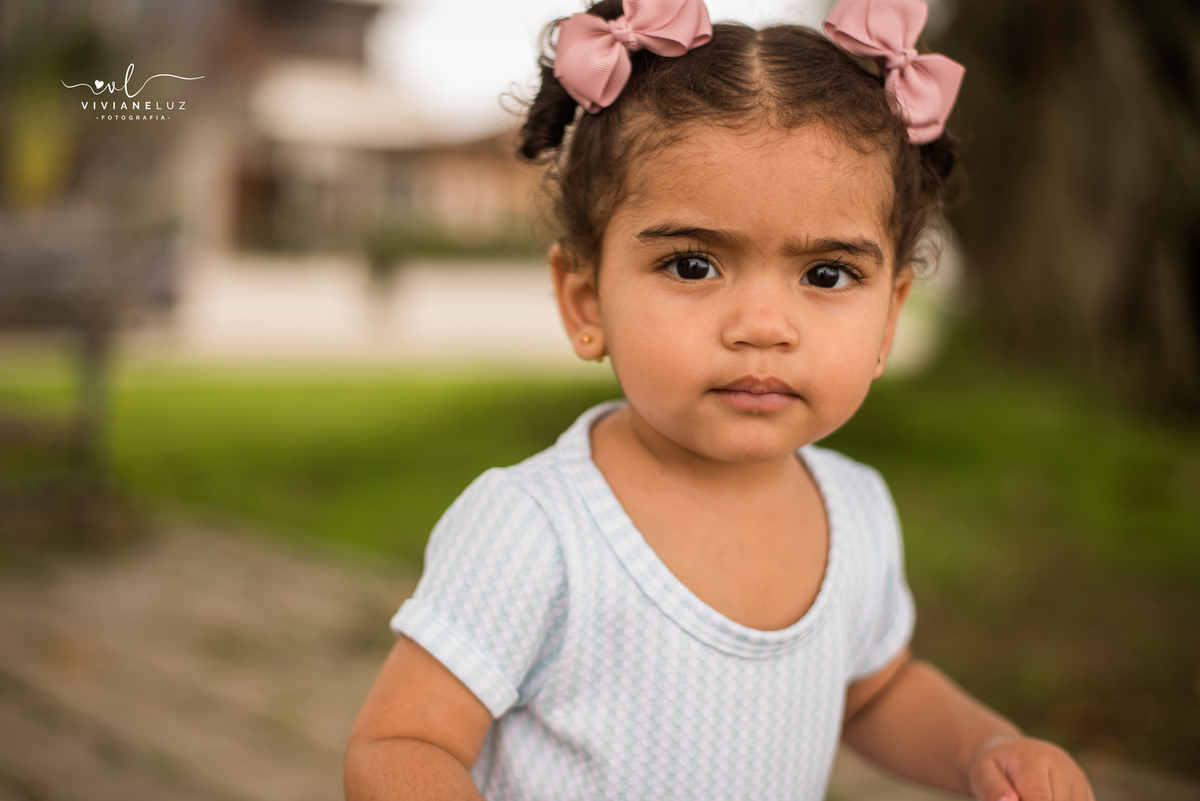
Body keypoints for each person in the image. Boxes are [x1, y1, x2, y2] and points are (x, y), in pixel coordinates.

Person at [345, 0, 1096, 798]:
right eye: (694, 266)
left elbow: (875, 687)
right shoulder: (540, 529)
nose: (763, 326)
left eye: (827, 275)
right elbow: (402, 740)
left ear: (890, 315)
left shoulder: (856, 510)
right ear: (585, 300)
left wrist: (982, 746)